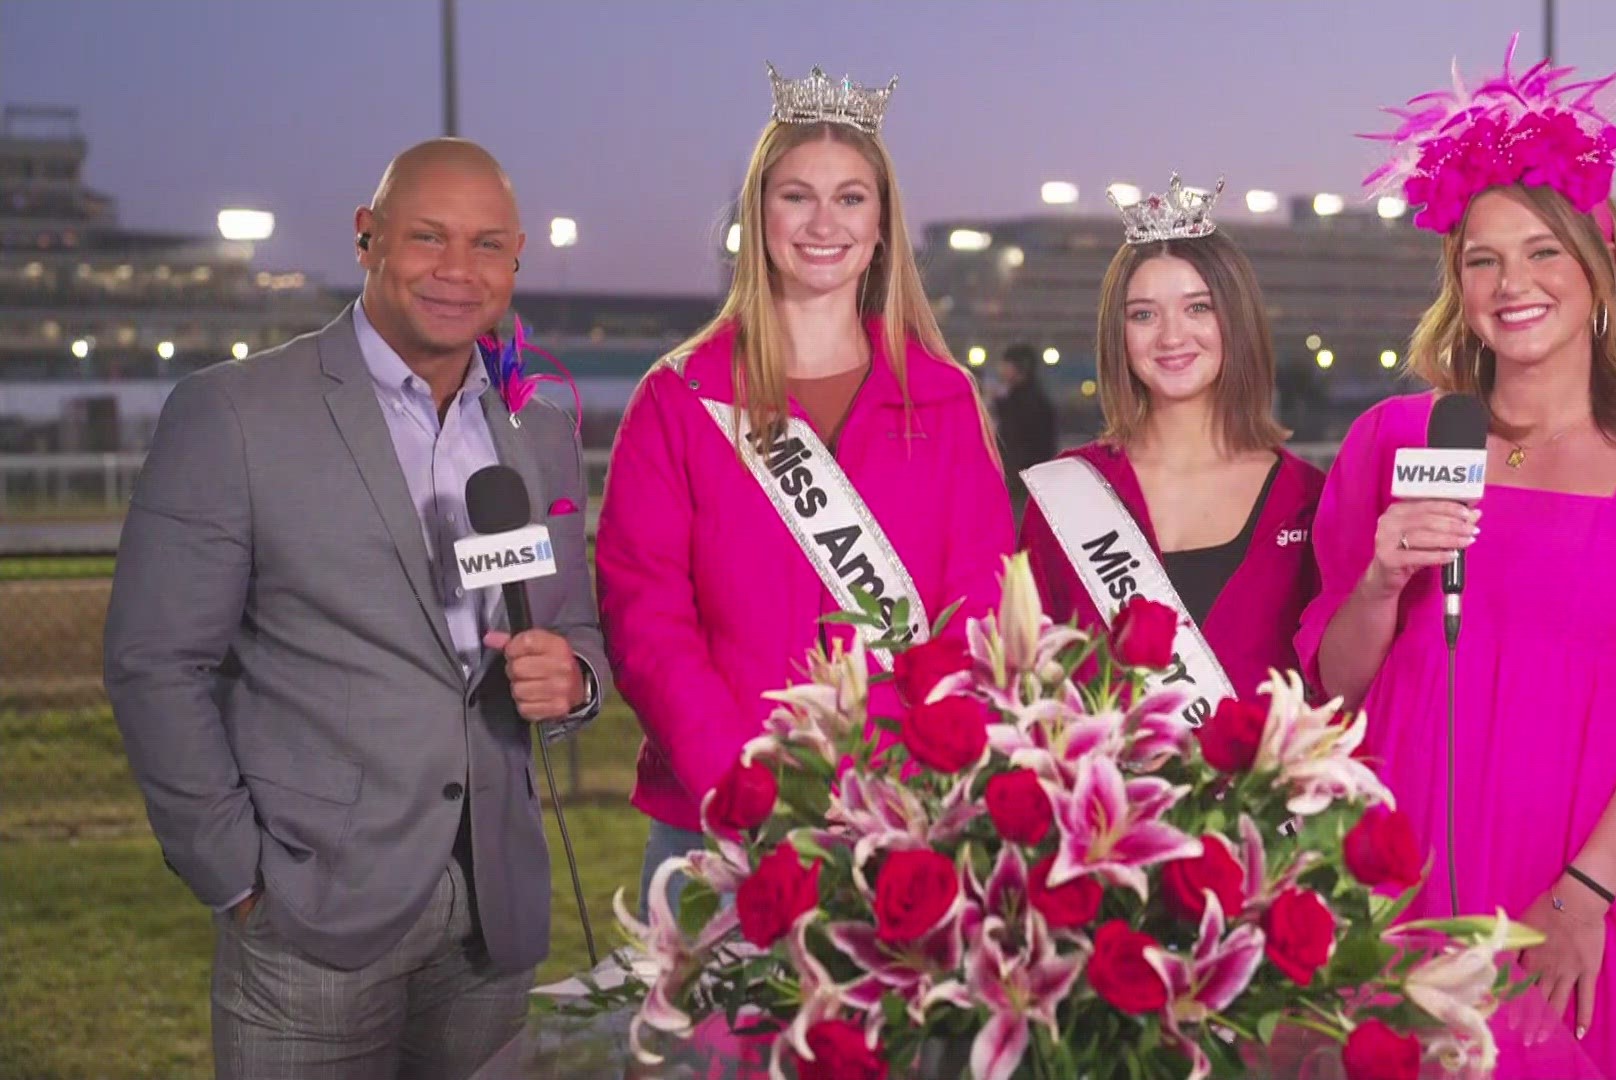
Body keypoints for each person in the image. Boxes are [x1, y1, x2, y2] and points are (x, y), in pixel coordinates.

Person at [1297, 37, 1616, 1079]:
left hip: (1581, 877)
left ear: (1600, 273)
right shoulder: (1396, 441)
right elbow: (1334, 681)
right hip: (1401, 860)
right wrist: (1379, 581)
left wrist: (1586, 892)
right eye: (1484, 258)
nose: (1515, 282)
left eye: (1544, 251)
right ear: (1456, 285)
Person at [103, 138, 607, 1079]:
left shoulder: (537, 431)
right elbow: (154, 664)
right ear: (367, 238)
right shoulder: (236, 413)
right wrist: (238, 877)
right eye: (428, 237)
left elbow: (573, 627)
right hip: (307, 919)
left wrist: (573, 679)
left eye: (487, 245)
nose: (458, 271)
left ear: (518, 260)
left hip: (494, 917)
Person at [596, 65, 1013, 911]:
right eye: (797, 196)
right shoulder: (681, 396)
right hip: (718, 825)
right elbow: (646, 619)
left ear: (884, 223)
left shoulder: (943, 398)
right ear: (759, 216)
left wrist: (916, 785)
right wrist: (744, 788)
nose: (825, 223)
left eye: (852, 198)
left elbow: (978, 607)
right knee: (708, 1050)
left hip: (903, 829)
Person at [1018, 174, 1324, 719]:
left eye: (1198, 307)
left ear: (1237, 319)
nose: (1171, 336)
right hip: (1104, 801)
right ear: (1119, 334)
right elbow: (1029, 679)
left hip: (1263, 800)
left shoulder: (1307, 496)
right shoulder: (1066, 494)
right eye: (1143, 314)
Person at [992, 342, 1058, 501]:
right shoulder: (1014, 400)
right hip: (1023, 481)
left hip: (1023, 483)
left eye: (1007, 364)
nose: (1002, 369)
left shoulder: (1028, 403)